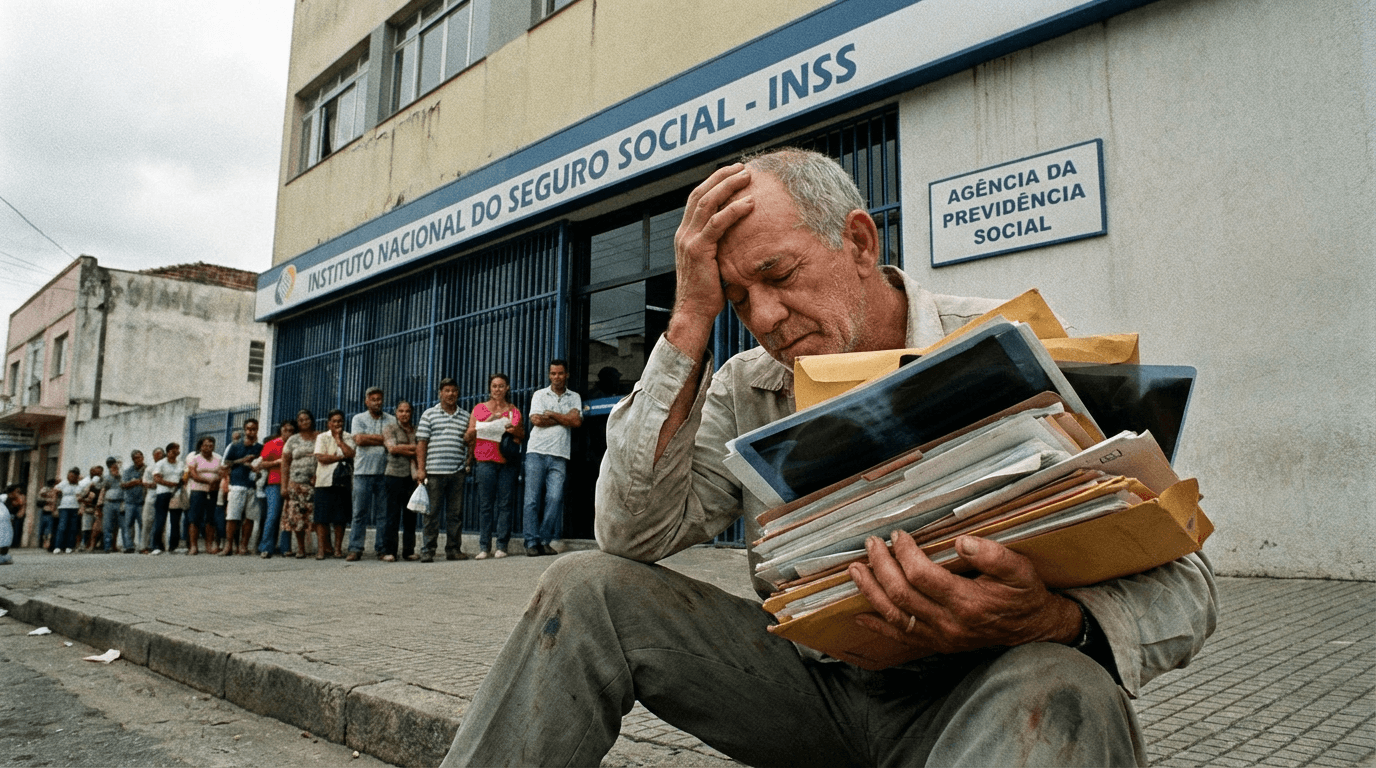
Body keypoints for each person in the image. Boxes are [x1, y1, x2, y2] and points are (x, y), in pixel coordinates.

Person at [442, 149, 1218, 767]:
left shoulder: (1012, 347)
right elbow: (630, 536)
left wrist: (1056, 620)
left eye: (778, 276)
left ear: (857, 240)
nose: (767, 319)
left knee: (1066, 685)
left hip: (985, 695)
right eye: (740, 299)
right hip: (815, 693)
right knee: (583, 588)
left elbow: (1187, 588)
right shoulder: (749, 383)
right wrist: (688, 322)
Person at [522, 359, 581, 556]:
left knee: (554, 498)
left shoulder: (574, 397)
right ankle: (531, 542)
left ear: (567, 375)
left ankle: (545, 540)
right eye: (553, 374)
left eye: (560, 373)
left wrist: (553, 415)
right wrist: (564, 418)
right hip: (536, 452)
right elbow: (536, 420)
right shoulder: (539, 395)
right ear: (549, 375)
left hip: (559, 454)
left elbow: (576, 422)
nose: (557, 377)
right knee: (531, 499)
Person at [464, 373, 523, 560]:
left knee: (505, 504)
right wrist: (486, 424)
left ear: (507, 388)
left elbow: (521, 435)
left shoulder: (514, 410)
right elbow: (467, 436)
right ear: (490, 388)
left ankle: (502, 545)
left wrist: (515, 430)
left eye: (501, 386)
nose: (497, 389)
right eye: (494, 386)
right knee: (485, 505)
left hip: (506, 462)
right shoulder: (479, 409)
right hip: (484, 461)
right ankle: (484, 546)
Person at [415, 377, 471, 563]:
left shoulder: (465, 416)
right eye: (447, 390)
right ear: (440, 393)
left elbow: (471, 441)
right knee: (431, 514)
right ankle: (428, 550)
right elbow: (421, 444)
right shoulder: (429, 414)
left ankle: (453, 549)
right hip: (434, 473)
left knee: (455, 514)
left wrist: (468, 461)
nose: (451, 394)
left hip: (457, 472)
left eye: (454, 390)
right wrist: (421, 470)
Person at [348, 386, 397, 561]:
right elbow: (359, 440)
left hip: (385, 472)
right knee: (359, 512)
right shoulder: (358, 419)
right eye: (373, 399)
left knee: (383, 513)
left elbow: (395, 441)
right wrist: (384, 439)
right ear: (366, 401)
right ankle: (355, 548)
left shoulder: (391, 419)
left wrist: (373, 438)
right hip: (362, 472)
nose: (377, 402)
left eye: (379, 399)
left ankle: (382, 549)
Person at [313, 409, 355, 560]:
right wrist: (338, 458)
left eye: (340, 421)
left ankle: (337, 549)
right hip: (323, 481)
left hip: (342, 482)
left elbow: (350, 454)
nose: (337, 424)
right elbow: (321, 457)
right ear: (329, 423)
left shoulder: (348, 437)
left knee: (340, 517)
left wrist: (339, 441)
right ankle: (321, 549)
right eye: (334, 421)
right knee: (321, 517)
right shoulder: (322, 437)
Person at [382, 400, 420, 561]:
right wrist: (413, 449)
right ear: (396, 413)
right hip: (394, 475)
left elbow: (421, 449)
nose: (404, 414)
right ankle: (389, 551)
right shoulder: (389, 428)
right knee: (392, 515)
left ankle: (408, 551)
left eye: (407, 411)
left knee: (410, 515)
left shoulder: (415, 430)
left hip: (411, 477)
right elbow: (392, 448)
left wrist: (403, 448)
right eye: (401, 411)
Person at [280, 410, 319, 558]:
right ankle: (301, 548)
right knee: (297, 518)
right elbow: (285, 463)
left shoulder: (319, 437)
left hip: (315, 484)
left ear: (311, 420)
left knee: (315, 516)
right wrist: (284, 486)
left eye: (307, 419)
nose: (304, 422)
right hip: (296, 483)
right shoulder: (293, 440)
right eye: (301, 420)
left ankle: (321, 548)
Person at [222, 419, 263, 556]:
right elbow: (226, 463)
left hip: (252, 485)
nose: (251, 431)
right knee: (232, 516)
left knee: (249, 517)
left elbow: (262, 464)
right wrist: (242, 461)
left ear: (257, 430)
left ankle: (243, 546)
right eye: (248, 429)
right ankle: (228, 546)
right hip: (237, 484)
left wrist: (256, 469)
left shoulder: (259, 447)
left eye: (254, 429)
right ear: (244, 430)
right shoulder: (235, 446)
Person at [257, 420, 294, 559]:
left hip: (291, 482)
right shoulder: (272, 444)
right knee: (272, 516)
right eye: (286, 430)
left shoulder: (294, 444)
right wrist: (275, 462)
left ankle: (285, 548)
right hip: (274, 482)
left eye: (291, 431)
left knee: (288, 516)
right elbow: (261, 464)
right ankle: (266, 547)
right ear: (281, 431)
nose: (288, 433)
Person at [184, 437, 223, 556]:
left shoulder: (218, 458)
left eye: (211, 445)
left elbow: (222, 473)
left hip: (213, 491)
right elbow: (193, 475)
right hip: (198, 490)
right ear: (201, 446)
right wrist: (208, 481)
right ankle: (193, 546)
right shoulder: (194, 458)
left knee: (210, 519)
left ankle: (209, 545)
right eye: (205, 445)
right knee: (194, 519)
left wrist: (215, 482)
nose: (208, 448)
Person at [150, 443, 185, 555]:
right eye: (174, 451)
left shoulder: (180, 464)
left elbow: (183, 476)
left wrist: (180, 482)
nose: (176, 453)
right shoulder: (161, 463)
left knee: (175, 520)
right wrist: (171, 484)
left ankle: (173, 546)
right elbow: (157, 479)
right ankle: (157, 546)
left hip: (176, 494)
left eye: (178, 451)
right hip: (163, 493)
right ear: (168, 452)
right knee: (160, 519)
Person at [119, 451, 148, 554]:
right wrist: (134, 482)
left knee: (142, 525)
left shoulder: (147, 469)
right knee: (128, 525)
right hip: (129, 502)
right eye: (135, 458)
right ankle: (129, 546)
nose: (138, 460)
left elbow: (148, 482)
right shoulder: (128, 471)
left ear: (143, 458)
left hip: (142, 502)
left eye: (140, 457)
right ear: (133, 459)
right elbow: (123, 484)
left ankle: (142, 546)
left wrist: (138, 482)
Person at [53, 467, 86, 554]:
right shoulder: (64, 483)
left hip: (75, 508)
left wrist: (81, 508)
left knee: (72, 528)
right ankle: (58, 546)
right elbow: (55, 490)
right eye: (69, 476)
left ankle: (69, 546)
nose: (70, 478)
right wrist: (55, 507)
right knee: (62, 527)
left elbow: (81, 498)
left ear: (77, 477)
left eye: (72, 476)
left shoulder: (80, 485)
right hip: (64, 507)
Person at [139, 447, 163, 553]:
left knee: (160, 522)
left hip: (162, 496)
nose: (159, 456)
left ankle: (158, 545)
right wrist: (154, 484)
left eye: (161, 454)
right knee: (147, 521)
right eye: (157, 454)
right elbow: (145, 482)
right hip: (151, 496)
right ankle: (144, 546)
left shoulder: (165, 465)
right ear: (153, 456)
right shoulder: (149, 468)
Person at [99, 456, 124, 553]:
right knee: (108, 526)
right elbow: (102, 490)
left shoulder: (121, 477)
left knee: (118, 526)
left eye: (116, 467)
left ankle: (114, 546)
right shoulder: (106, 478)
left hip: (119, 502)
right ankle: (107, 547)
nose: (115, 469)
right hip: (108, 503)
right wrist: (99, 505)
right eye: (112, 467)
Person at [78, 465, 104, 552]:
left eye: (100, 472)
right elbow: (80, 497)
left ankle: (95, 545)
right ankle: (83, 544)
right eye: (96, 472)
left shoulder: (103, 483)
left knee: (97, 529)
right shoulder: (87, 483)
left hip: (98, 509)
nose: (99, 473)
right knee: (86, 528)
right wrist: (86, 501)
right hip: (88, 508)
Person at [37, 478, 58, 552]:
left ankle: (46, 544)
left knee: (48, 530)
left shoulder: (55, 490)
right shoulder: (46, 489)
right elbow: (41, 497)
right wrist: (48, 499)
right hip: (45, 511)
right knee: (44, 529)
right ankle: (42, 544)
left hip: (50, 512)